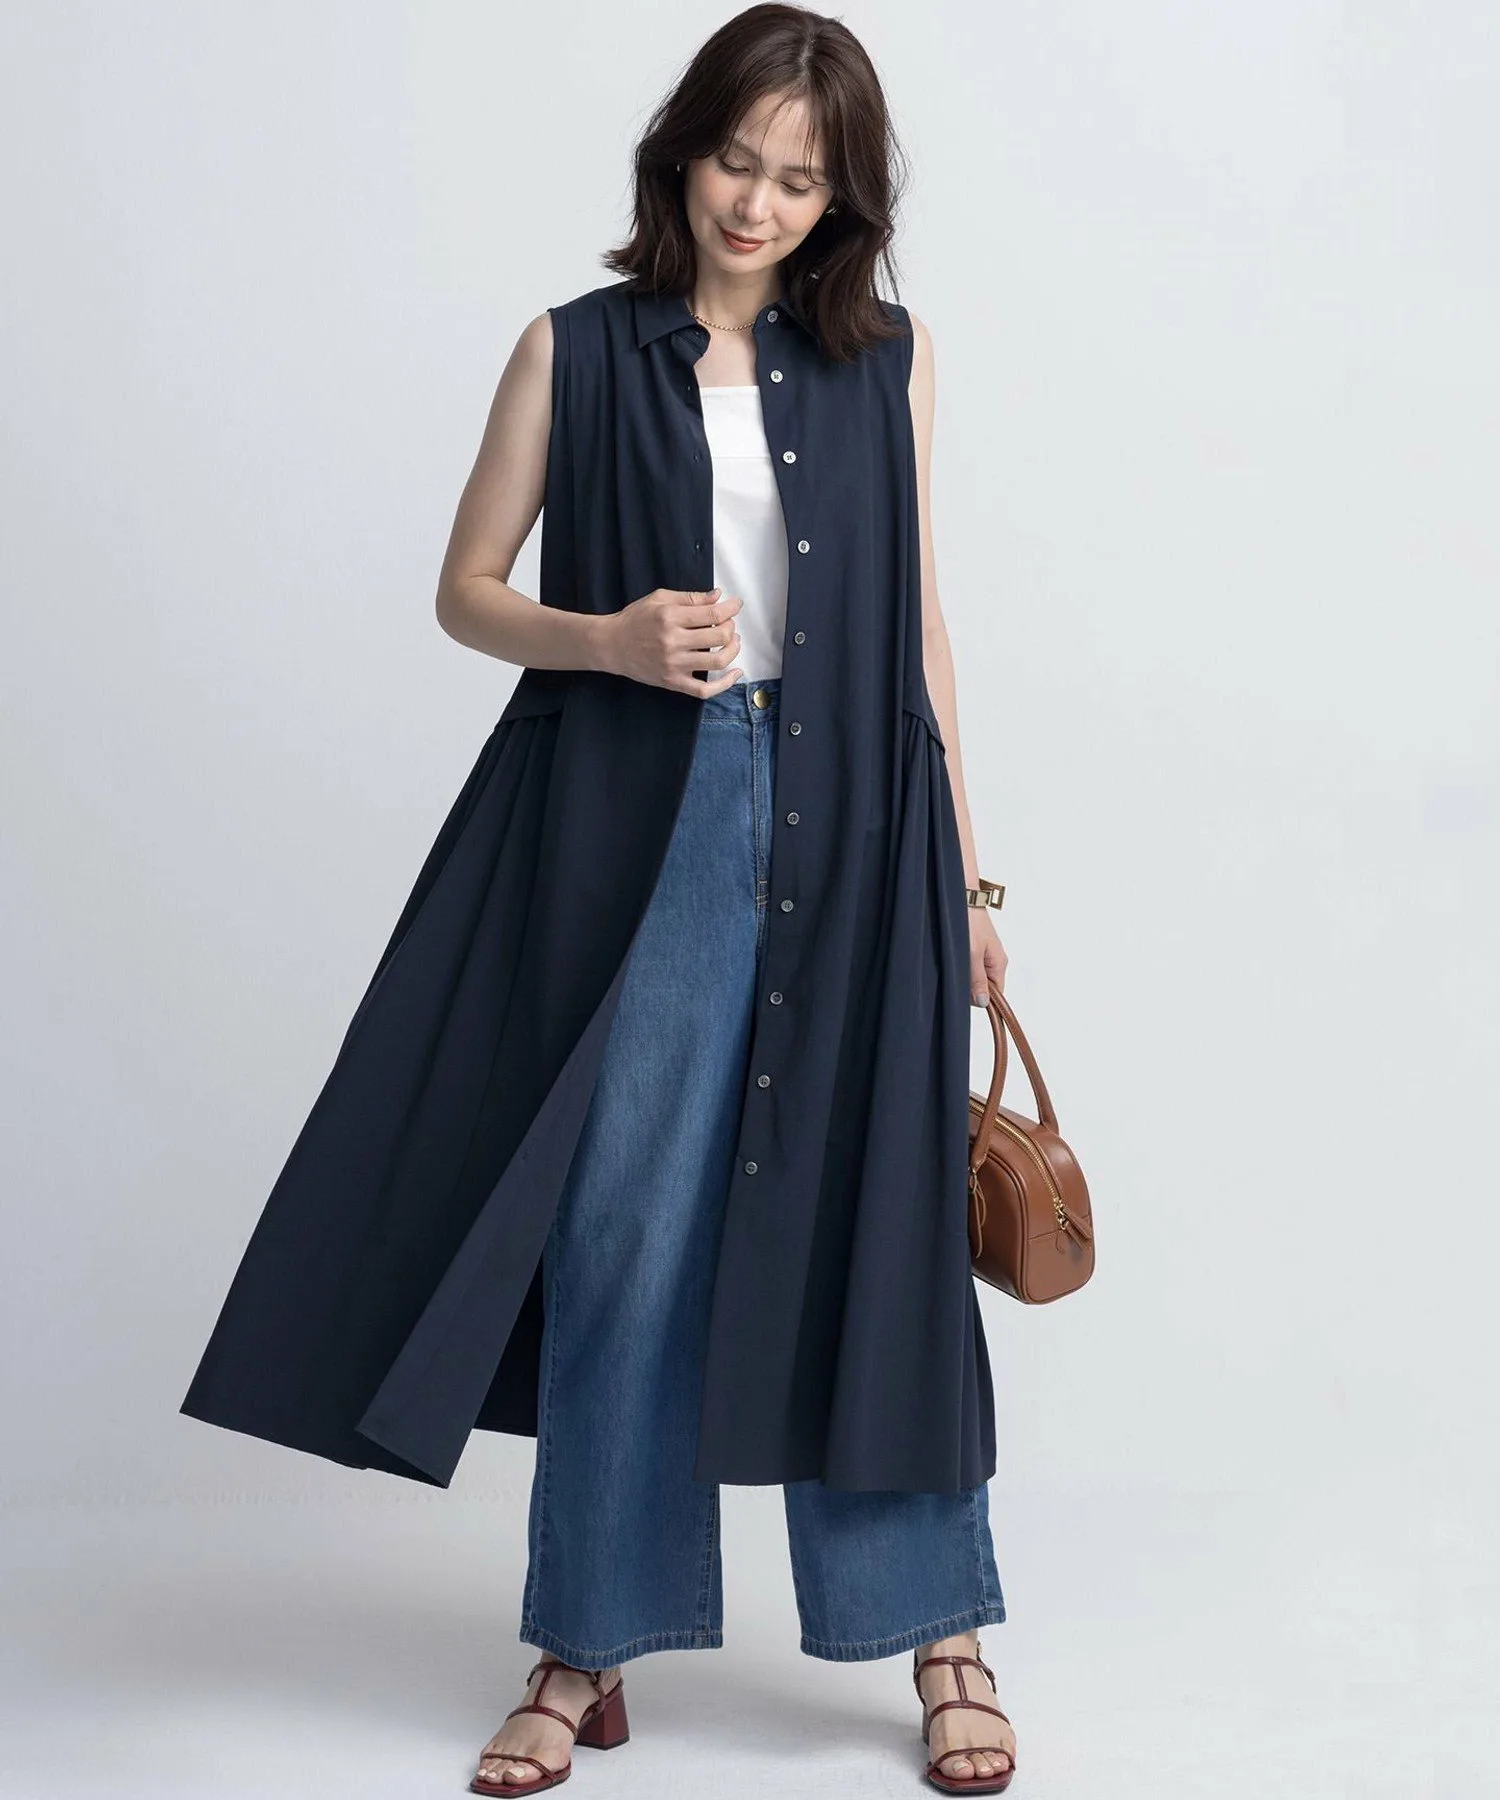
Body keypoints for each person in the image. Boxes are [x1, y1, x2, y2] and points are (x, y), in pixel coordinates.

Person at [429, 8, 1017, 1795]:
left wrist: (971, 880)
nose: (758, 203)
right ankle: (586, 1642)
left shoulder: (889, 360)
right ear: (682, 150)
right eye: (737, 161)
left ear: (843, 201)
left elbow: (921, 623)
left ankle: (942, 1633)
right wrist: (605, 638)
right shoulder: (574, 349)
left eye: (800, 180)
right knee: (628, 1222)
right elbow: (465, 591)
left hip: (868, 822)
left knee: (880, 1219)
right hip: (657, 815)